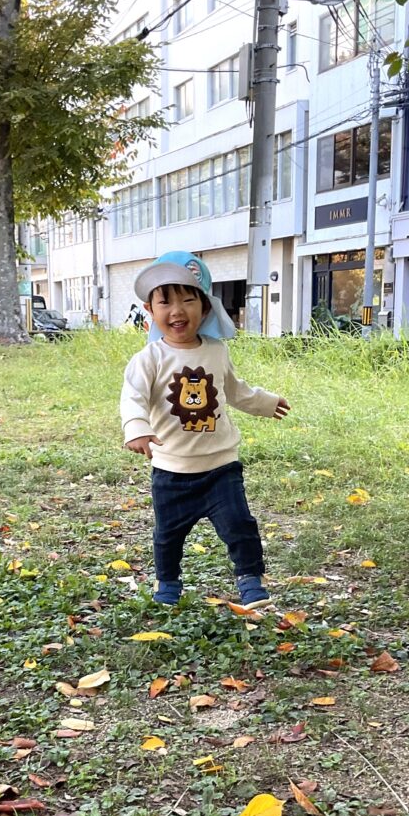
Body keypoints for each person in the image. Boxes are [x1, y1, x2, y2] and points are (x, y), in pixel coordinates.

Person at [120, 251, 290, 607]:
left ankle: (250, 579)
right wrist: (136, 427)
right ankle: (167, 581)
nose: (177, 310)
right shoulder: (149, 359)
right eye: (164, 301)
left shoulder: (216, 351)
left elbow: (234, 390)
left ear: (206, 307)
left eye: (187, 299)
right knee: (168, 535)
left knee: (240, 525)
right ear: (150, 311)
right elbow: (132, 396)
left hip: (220, 466)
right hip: (172, 470)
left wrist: (265, 401)